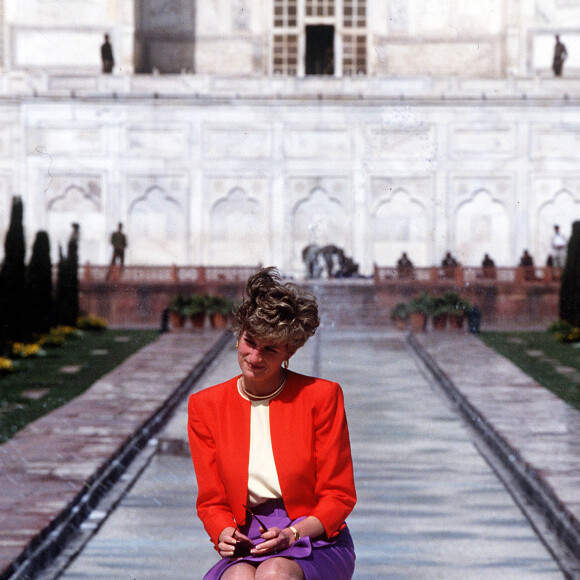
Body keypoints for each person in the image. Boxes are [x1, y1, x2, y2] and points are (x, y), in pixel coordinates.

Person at [188, 267, 357, 580]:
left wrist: (292, 533)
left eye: (270, 349)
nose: (254, 357)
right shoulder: (205, 405)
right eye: (250, 342)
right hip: (246, 538)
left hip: (314, 535)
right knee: (237, 578)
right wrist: (224, 532)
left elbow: (339, 495)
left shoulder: (322, 396)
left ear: (288, 351)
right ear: (238, 336)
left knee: (275, 573)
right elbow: (211, 500)